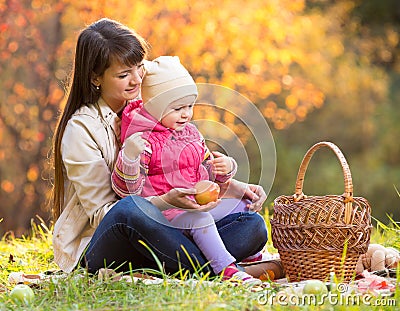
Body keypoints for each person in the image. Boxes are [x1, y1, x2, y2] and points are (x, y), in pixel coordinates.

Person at [49, 17, 278, 283]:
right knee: (130, 208)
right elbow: (106, 214)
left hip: (167, 229)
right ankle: (221, 267)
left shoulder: (154, 105)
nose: (136, 80)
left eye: (138, 68)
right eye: (123, 75)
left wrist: (233, 186)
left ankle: (194, 265)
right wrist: (167, 201)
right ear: (95, 78)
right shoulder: (81, 129)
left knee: (251, 226)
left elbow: (180, 167)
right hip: (110, 238)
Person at [111, 56, 263, 284]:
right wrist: (130, 157)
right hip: (164, 218)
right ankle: (226, 270)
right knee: (200, 220)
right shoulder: (142, 141)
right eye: (178, 108)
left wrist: (226, 168)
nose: (186, 114)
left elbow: (207, 174)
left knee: (243, 207)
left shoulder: (190, 133)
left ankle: (251, 256)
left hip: (195, 206)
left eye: (190, 106)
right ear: (155, 107)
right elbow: (128, 193)